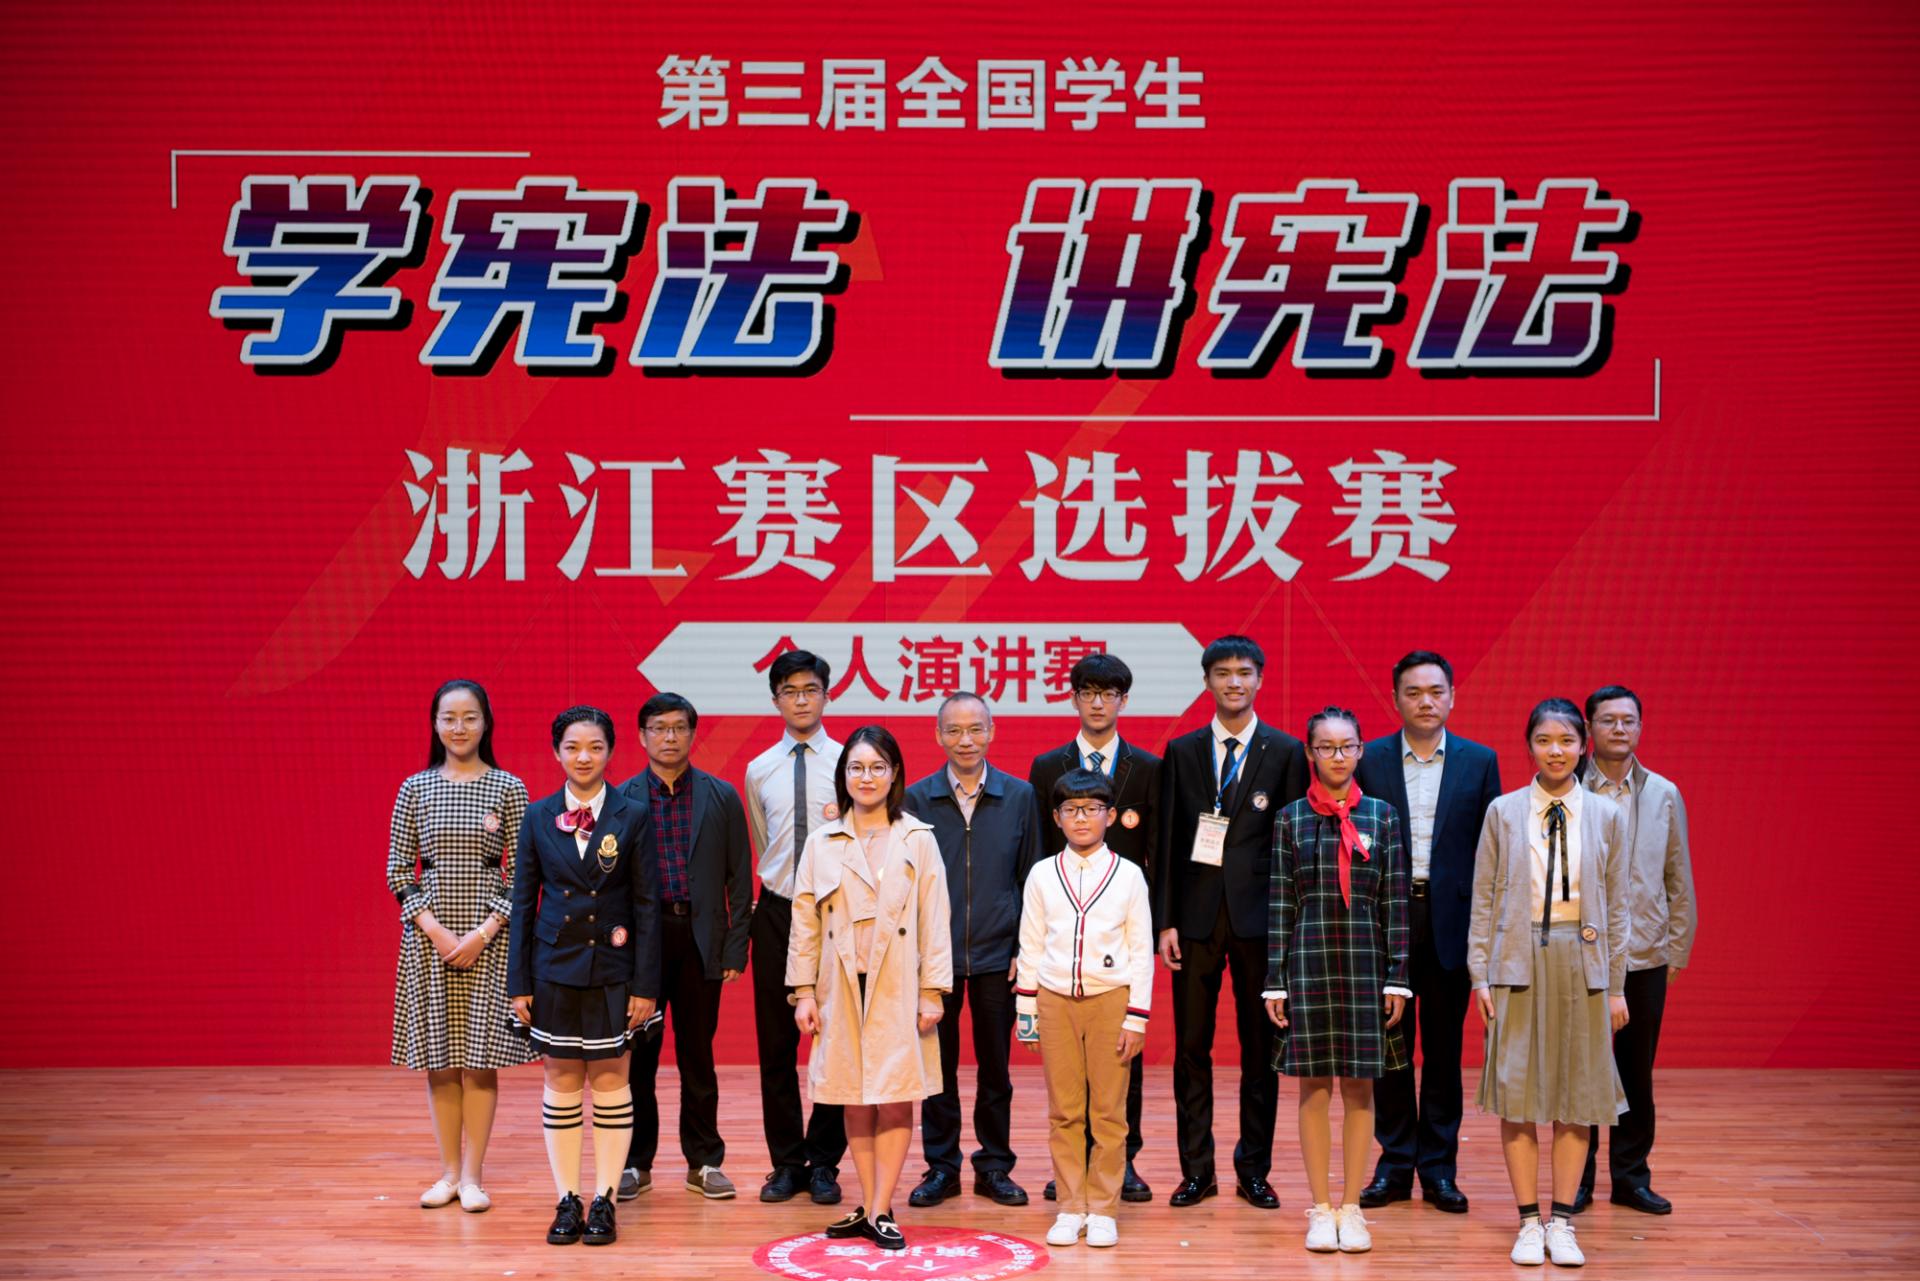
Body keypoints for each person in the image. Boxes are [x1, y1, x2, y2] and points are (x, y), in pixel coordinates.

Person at [1468, 699, 1629, 1268]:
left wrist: (1616, 985)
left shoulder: (1606, 814)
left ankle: (1562, 1222)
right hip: (1517, 962)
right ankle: (1527, 1222)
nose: (1555, 751)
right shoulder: (1504, 811)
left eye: (1566, 740)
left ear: (1583, 745)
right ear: (1530, 746)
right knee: (1516, 1095)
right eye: (1544, 740)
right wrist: (1480, 974)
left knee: (1576, 1096)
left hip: (1582, 963)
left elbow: (1618, 906)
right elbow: (1483, 897)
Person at [1154, 634, 1309, 1210]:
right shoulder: (1182, 751)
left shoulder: (1286, 751)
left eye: (1244, 672)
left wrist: (1288, 928)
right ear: (1207, 682)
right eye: (1222, 673)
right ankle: (1197, 1171)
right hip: (1194, 919)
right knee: (1191, 1047)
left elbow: (1293, 846)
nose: (1234, 682)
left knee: (1260, 1048)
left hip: (1260, 921)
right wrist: (1165, 921)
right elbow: (1168, 840)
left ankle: (1253, 1171)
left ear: (1259, 679)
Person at [788, 726, 954, 1251]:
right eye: (856, 768)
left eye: (877, 767)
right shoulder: (821, 842)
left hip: (899, 984)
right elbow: (804, 922)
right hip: (839, 986)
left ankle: (880, 1208)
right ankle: (870, 1202)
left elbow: (936, 919)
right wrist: (803, 991)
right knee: (852, 1097)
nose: (867, 778)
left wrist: (933, 990)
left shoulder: (918, 838)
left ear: (894, 774)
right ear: (843, 776)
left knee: (897, 1096)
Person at [1356, 651, 1502, 1215]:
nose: (1425, 701)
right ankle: (1394, 1166)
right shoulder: (1370, 760)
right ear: (1396, 698)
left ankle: (1439, 1169)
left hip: (1450, 925)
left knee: (1443, 1054)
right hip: (1384, 923)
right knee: (1389, 1051)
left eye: (1436, 691)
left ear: (1452, 697)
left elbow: (1492, 853)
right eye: (1413, 692)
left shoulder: (1479, 761)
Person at [509, 706, 660, 1247]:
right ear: (557, 752)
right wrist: (519, 983)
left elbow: (647, 904)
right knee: (562, 1078)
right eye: (572, 747)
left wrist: (646, 986)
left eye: (595, 747)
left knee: (613, 1079)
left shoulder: (632, 814)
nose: (583, 757)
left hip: (614, 968)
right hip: (553, 969)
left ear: (610, 752)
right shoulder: (537, 815)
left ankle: (605, 1199)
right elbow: (523, 903)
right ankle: (567, 1199)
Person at [1262, 708, 1411, 1254]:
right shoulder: (1290, 819)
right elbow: (1281, 902)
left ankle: (1352, 1208)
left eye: (1347, 746)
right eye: (1325, 747)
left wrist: (1398, 976)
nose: (1337, 756)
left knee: (1360, 1086)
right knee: (1313, 1086)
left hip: (1367, 962)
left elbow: (1396, 901)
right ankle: (1321, 1208)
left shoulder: (1383, 816)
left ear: (1361, 749)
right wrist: (1275, 980)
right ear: (1310, 753)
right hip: (1308, 961)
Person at [387, 679, 536, 1214]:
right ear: (434, 724)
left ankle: (473, 1177)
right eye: (449, 718)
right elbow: (398, 870)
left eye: (470, 717)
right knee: (441, 1062)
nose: (459, 727)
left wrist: (482, 934)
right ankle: (448, 1173)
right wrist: (435, 930)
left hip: (488, 943)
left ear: (486, 722)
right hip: (430, 941)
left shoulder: (508, 787)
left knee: (480, 1059)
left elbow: (524, 874)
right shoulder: (415, 788)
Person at [1026, 652, 1160, 1202]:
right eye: (1088, 692)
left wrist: (1161, 926)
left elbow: (1157, 850)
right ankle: (1070, 1171)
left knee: (1121, 1064)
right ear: (1074, 698)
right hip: (1061, 936)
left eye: (1109, 693)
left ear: (1123, 700)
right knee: (1065, 1083)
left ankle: (1121, 1164)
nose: (1098, 703)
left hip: (1119, 931)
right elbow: (1038, 848)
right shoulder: (1046, 766)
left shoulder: (1148, 767)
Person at [902, 692, 1037, 1209]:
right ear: (938, 735)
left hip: (999, 959)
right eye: (954, 730)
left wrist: (1023, 947)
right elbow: (908, 886)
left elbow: (1032, 878)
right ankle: (942, 1168)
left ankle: (994, 1165)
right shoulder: (916, 799)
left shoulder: (1019, 796)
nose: (966, 740)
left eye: (976, 729)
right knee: (937, 1070)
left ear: (992, 732)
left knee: (995, 1069)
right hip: (934, 962)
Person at [617, 693, 752, 1202]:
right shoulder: (622, 799)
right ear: (641, 736)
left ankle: (705, 1162)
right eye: (659, 728)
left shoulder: (721, 796)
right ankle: (636, 1164)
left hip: (701, 942)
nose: (669, 737)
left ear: (693, 734)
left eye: (678, 728)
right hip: (643, 948)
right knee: (639, 1060)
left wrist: (735, 948)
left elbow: (740, 878)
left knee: (699, 1058)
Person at [1015, 769, 1153, 1249]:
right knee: (1065, 1111)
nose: (1081, 818)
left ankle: (1103, 1209)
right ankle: (1071, 1206)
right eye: (1071, 810)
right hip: (1054, 1000)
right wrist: (1027, 1011)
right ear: (1056, 818)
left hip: (1111, 1001)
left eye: (1092, 809)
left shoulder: (1129, 875)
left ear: (1110, 816)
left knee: (1109, 1112)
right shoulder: (1042, 874)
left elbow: (1141, 951)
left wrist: (1136, 1017)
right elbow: (1031, 943)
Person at [1575, 685, 1697, 1216]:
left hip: (1645, 953)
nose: (1619, 729)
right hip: (1580, 954)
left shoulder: (1664, 793)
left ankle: (1630, 1177)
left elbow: (1678, 875)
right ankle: (1577, 1179)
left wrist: (1677, 949)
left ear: (1640, 728)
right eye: (1608, 720)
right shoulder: (1568, 788)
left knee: (1635, 1072)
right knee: (1581, 1069)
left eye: (1628, 720)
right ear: (1589, 730)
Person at [743, 651, 849, 1205]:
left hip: (838, 913)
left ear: (828, 695)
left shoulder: (850, 762)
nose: (801, 700)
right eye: (790, 691)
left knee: (837, 1042)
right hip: (778, 911)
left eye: (811, 689)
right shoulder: (759, 769)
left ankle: (825, 1161)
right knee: (776, 1045)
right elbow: (766, 843)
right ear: (775, 700)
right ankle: (786, 1162)